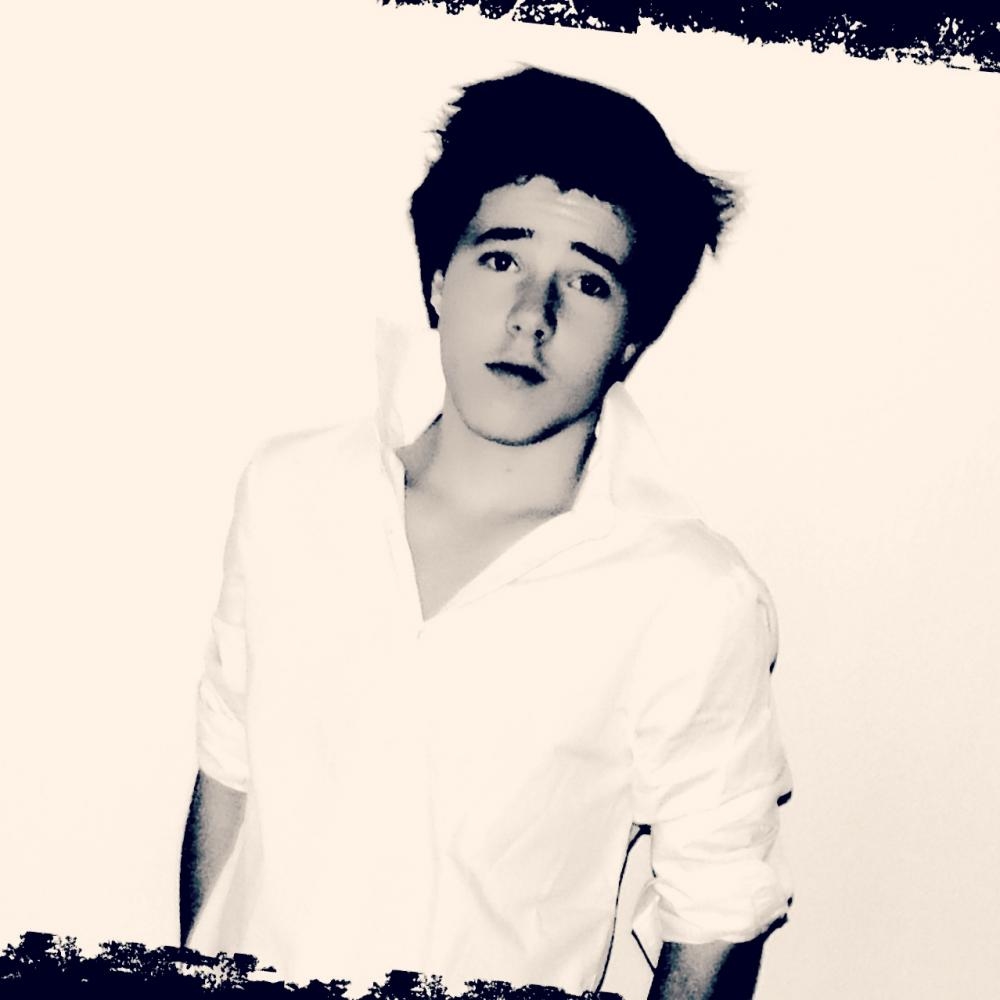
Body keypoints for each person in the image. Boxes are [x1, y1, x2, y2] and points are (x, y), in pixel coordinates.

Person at [181, 67, 792, 1000]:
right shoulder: (291, 493)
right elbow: (229, 774)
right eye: (502, 259)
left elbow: (717, 914)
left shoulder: (688, 596)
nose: (530, 318)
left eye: (587, 282)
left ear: (633, 335)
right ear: (438, 278)